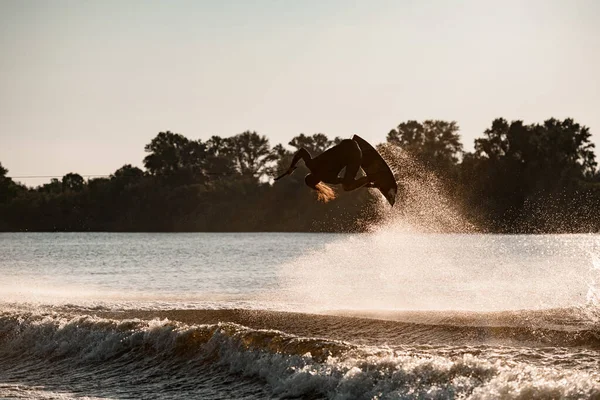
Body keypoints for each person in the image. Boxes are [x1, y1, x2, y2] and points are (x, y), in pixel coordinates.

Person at [275, 138, 377, 202]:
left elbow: (351, 183)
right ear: (310, 174)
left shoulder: (328, 179)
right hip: (350, 143)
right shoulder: (312, 165)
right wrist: (291, 167)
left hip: (355, 157)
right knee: (348, 181)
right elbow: (302, 151)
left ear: (316, 183)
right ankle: (366, 162)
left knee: (347, 187)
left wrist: (369, 184)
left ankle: (370, 178)